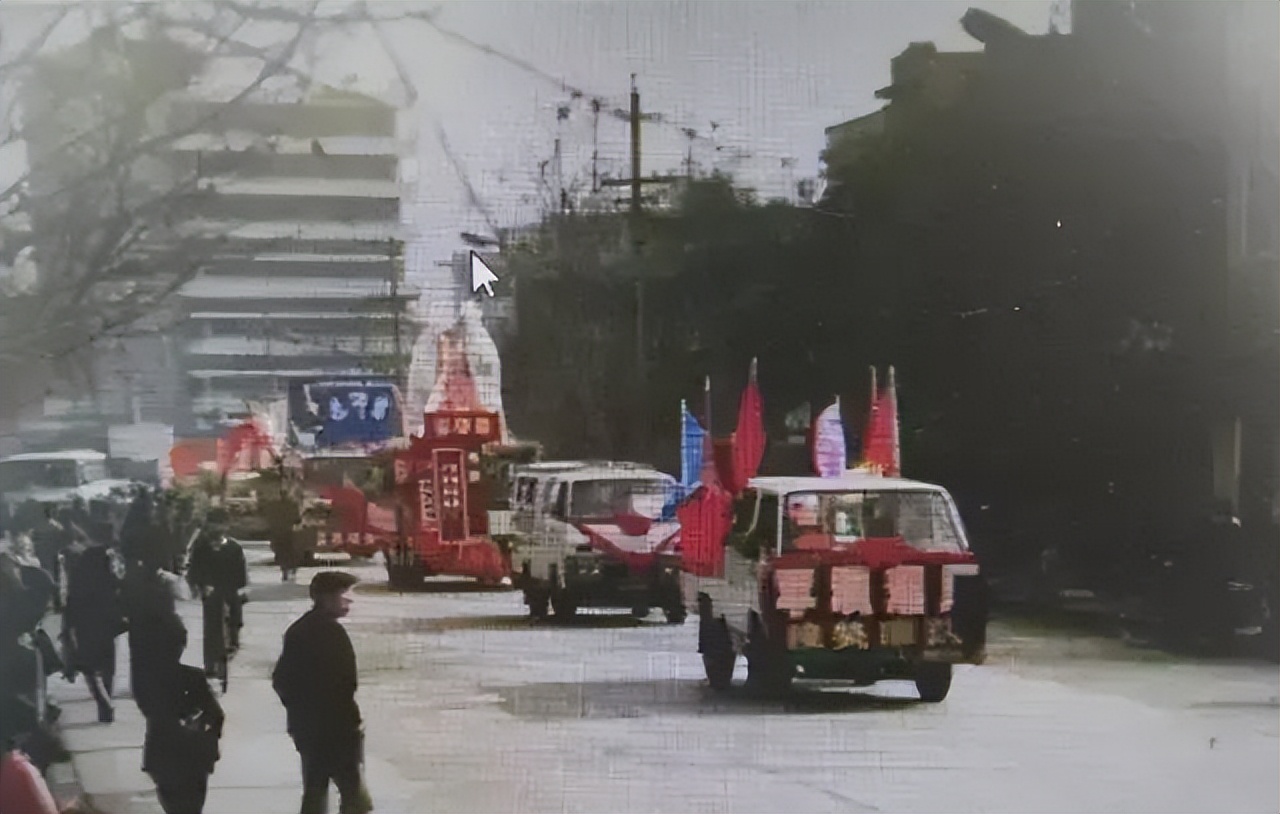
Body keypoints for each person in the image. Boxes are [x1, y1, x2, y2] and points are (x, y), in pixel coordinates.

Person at [272, 571, 372, 814]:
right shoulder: (331, 634)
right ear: (326, 599)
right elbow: (346, 684)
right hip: (336, 729)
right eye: (343, 595)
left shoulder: (299, 631)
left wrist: (299, 714)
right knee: (353, 796)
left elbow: (281, 680)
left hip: (309, 730)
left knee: (316, 792)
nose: (349, 601)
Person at [131, 600, 223, 814]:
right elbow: (217, 715)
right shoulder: (193, 678)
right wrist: (205, 734)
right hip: (194, 758)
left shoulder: (146, 682)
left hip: (164, 756)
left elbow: (152, 712)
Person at [60, 540, 125, 723]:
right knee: (108, 671)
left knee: (90, 670)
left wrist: (68, 631)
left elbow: (70, 608)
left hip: (85, 630)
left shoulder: (79, 580)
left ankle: (104, 704)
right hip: (107, 630)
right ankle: (106, 706)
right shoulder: (109, 579)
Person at [186, 512, 247, 690]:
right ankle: (210, 664)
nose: (217, 529)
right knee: (211, 628)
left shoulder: (234, 547)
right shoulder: (201, 547)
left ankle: (233, 644)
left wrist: (238, 589)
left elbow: (241, 575)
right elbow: (194, 570)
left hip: (229, 591)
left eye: (221, 525)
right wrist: (200, 585)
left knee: (235, 618)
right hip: (211, 593)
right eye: (214, 525)